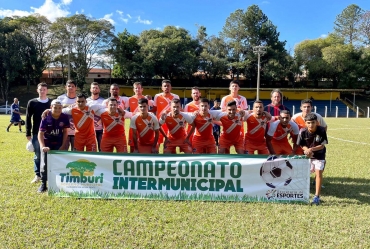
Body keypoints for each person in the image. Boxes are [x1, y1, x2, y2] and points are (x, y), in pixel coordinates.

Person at [37, 100, 70, 193]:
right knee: (45, 164)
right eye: (55, 107)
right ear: (51, 107)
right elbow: (40, 134)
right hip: (47, 144)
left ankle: (58, 184)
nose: (57, 109)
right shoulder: (46, 116)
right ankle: (43, 184)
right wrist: (42, 146)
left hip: (58, 143)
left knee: (58, 164)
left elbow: (65, 132)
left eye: (59, 108)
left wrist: (63, 145)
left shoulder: (64, 117)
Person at [297, 113, 328, 205]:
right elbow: (301, 144)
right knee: (306, 173)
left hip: (319, 155)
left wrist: (312, 149)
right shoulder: (302, 131)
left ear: (317, 122)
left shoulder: (321, 130)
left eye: (313, 122)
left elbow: (322, 145)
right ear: (305, 123)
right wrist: (306, 150)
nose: (311, 125)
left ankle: (316, 196)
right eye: (309, 123)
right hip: (308, 156)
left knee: (318, 173)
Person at [26, 82, 52, 184]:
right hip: (37, 133)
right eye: (40, 89)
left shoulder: (51, 102)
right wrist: (28, 133)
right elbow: (28, 118)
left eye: (44, 89)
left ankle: (48, 174)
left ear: (47, 91)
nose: (42, 91)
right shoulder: (32, 102)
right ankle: (37, 175)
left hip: (51, 133)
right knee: (37, 155)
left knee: (49, 154)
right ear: (37, 90)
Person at [151, 80, 180, 145]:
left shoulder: (176, 97)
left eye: (168, 86)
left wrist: (167, 111)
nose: (166, 87)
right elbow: (154, 108)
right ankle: (157, 154)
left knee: (170, 142)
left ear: (171, 87)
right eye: (165, 86)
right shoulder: (157, 96)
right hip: (159, 123)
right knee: (157, 142)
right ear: (162, 88)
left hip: (171, 123)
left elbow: (178, 109)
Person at [57, 80, 77, 150]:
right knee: (63, 151)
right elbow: (56, 111)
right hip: (64, 130)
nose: (71, 88)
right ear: (65, 87)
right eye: (69, 86)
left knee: (76, 153)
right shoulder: (60, 98)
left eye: (72, 86)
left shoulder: (80, 99)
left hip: (76, 131)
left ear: (76, 88)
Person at [86, 82, 105, 151]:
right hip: (89, 129)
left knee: (101, 148)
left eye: (96, 88)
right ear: (90, 89)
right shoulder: (86, 101)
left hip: (101, 129)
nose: (95, 89)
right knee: (91, 149)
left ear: (99, 90)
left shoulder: (103, 101)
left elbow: (105, 113)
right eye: (93, 88)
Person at [128, 82, 146, 152]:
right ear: (133, 89)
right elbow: (124, 109)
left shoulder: (146, 99)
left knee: (143, 145)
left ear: (142, 89)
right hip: (133, 124)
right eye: (136, 88)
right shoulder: (129, 99)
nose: (137, 90)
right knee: (132, 145)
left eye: (139, 88)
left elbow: (153, 108)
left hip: (144, 125)